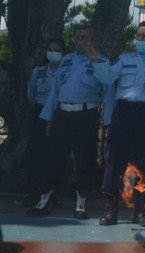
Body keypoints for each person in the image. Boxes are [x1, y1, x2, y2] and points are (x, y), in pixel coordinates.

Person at [88, 21, 145, 226]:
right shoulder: (125, 59)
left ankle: (141, 211)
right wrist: (95, 60)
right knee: (114, 161)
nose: (140, 40)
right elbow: (107, 76)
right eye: (138, 36)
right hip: (124, 113)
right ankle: (110, 210)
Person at [28, 25, 109, 220]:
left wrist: (108, 123)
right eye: (77, 37)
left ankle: (81, 203)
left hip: (85, 115)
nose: (81, 40)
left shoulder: (102, 61)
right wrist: (48, 119)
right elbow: (55, 92)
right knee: (53, 159)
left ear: (93, 39)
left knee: (84, 160)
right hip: (62, 115)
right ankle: (45, 200)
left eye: (85, 37)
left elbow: (108, 94)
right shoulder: (66, 60)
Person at [18, 38, 66, 207]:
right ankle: (33, 193)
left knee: (56, 155)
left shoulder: (66, 71)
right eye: (50, 49)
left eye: (56, 50)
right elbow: (31, 94)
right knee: (36, 154)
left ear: (63, 53)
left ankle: (53, 194)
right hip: (40, 113)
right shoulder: (38, 71)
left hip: (60, 114)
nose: (53, 53)